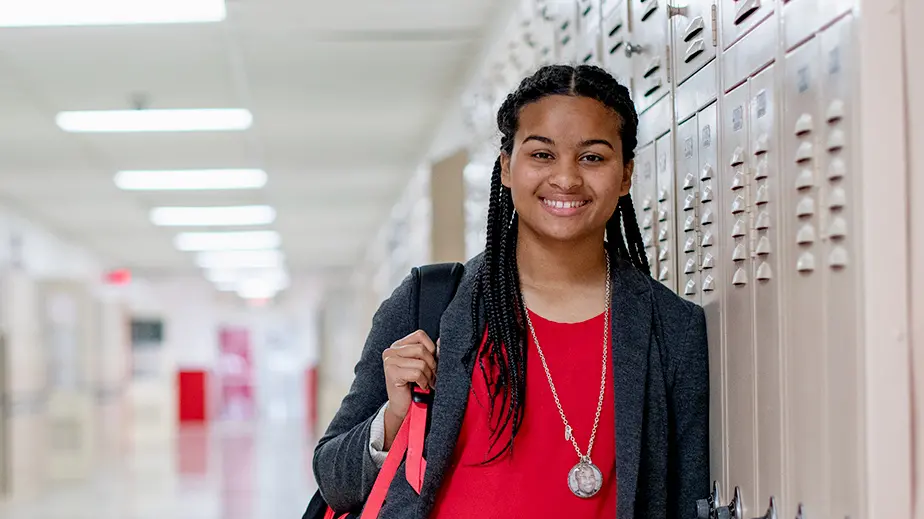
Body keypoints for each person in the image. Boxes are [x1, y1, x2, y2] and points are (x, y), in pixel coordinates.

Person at [312, 64, 709, 519]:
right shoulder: (431, 303)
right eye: (542, 154)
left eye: (592, 157)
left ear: (625, 175)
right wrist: (394, 415)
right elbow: (332, 479)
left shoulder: (672, 329)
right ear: (506, 166)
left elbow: (685, 498)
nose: (566, 179)